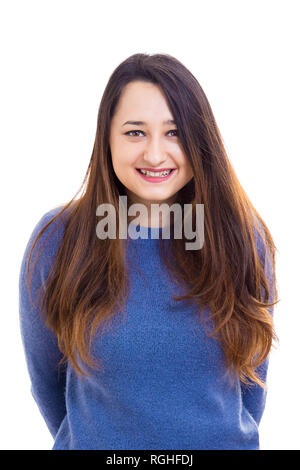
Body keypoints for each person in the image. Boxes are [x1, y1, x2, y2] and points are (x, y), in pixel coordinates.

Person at [18, 53, 279, 450]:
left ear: (200, 139)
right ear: (107, 138)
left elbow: (251, 383)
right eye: (135, 132)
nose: (155, 154)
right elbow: (47, 382)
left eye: (174, 133)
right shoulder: (58, 240)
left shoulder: (242, 236)